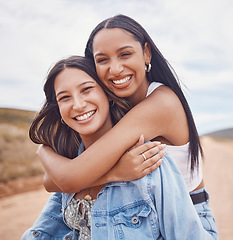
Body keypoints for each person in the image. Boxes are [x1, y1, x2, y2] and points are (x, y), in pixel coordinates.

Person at [37, 14, 218, 238]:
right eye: (102, 60)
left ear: (146, 53)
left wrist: (42, 151)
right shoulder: (117, 110)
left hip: (186, 223)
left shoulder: (161, 103)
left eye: (125, 54)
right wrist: (115, 173)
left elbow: (69, 177)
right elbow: (54, 180)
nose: (115, 69)